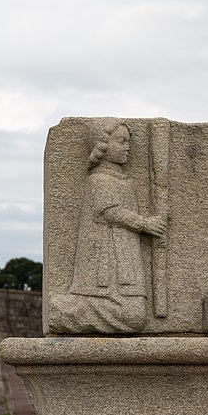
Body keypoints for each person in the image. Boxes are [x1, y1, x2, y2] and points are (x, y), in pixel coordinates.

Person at [50, 119, 167, 333]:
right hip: (105, 256)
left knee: (136, 316)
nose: (127, 147)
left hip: (126, 253)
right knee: (134, 318)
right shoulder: (99, 180)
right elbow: (109, 212)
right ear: (103, 144)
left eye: (128, 142)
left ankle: (72, 309)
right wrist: (144, 223)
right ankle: (68, 309)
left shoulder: (126, 182)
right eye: (121, 141)